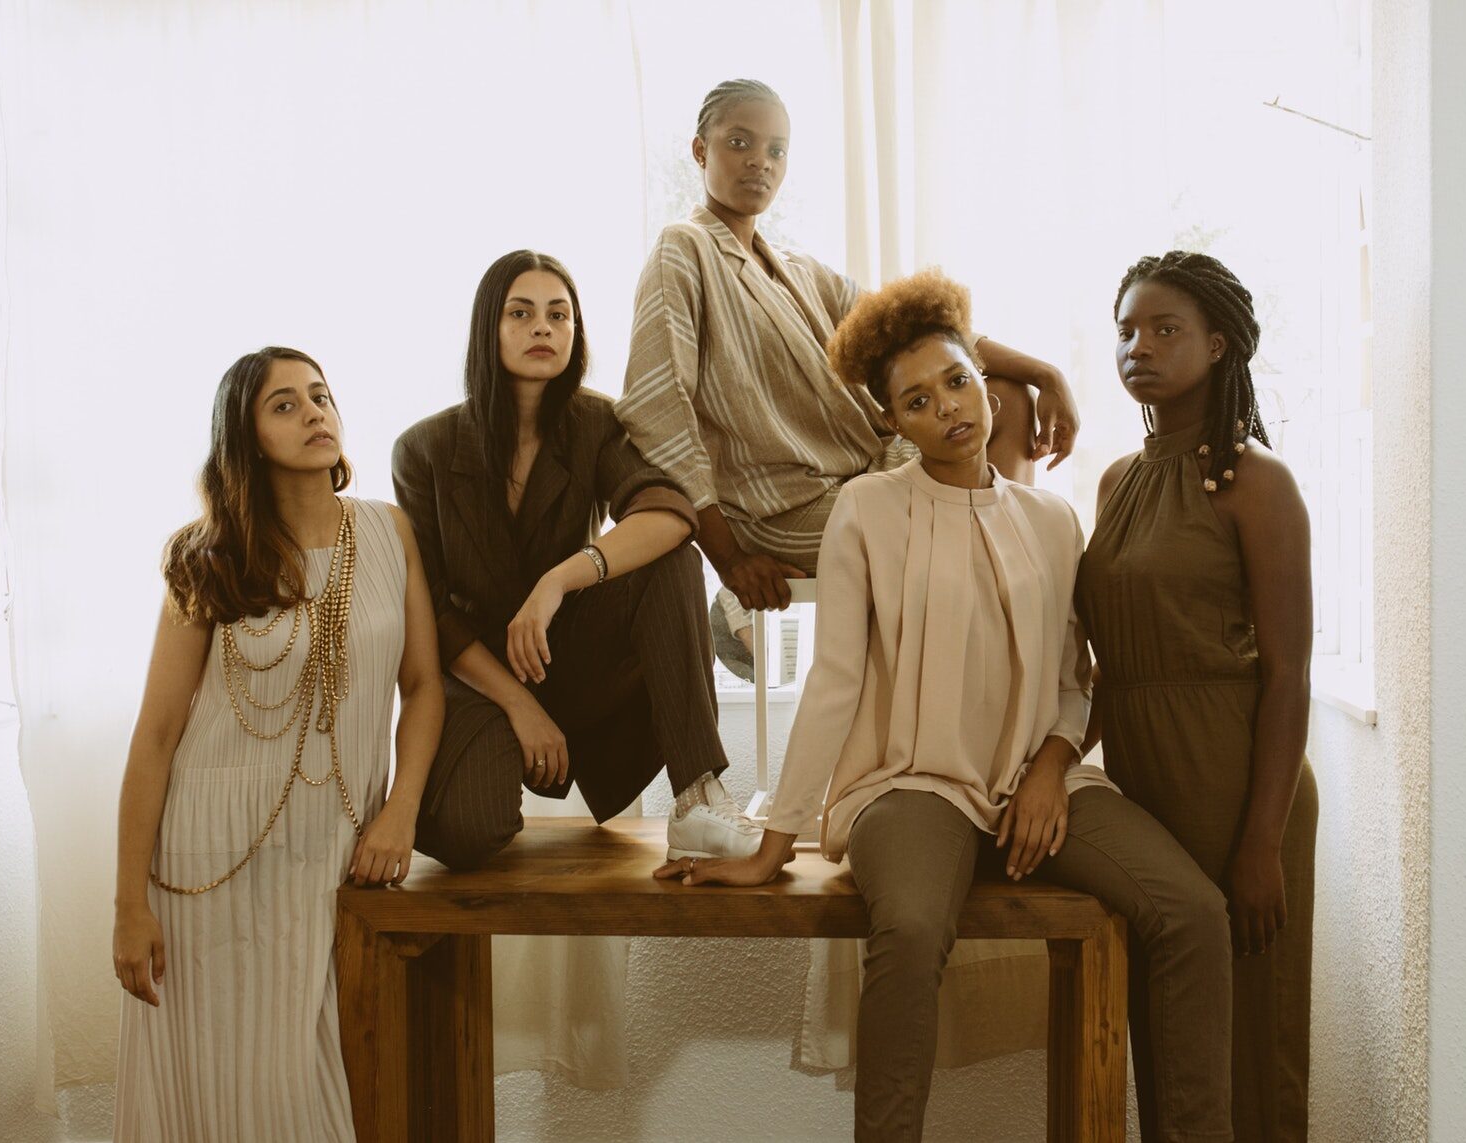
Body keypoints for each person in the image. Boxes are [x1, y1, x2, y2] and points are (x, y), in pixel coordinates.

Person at [660, 271, 1234, 1143]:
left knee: (1192, 911)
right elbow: (836, 681)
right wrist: (775, 843)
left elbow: (1075, 682)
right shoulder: (867, 509)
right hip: (909, 783)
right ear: (892, 422)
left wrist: (1051, 768)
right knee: (914, 925)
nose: (950, 410)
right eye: (918, 401)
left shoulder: (1051, 519)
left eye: (958, 381)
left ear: (982, 378)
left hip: (1039, 783)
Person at [616, 78, 1082, 672]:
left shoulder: (794, 267)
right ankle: (1014, 628)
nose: (760, 161)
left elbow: (920, 330)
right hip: (780, 508)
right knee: (957, 504)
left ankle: (1007, 576)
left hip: (865, 470)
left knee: (1006, 398)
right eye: (739, 142)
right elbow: (659, 408)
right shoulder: (681, 250)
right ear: (700, 151)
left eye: (777, 150)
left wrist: (1048, 374)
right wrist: (729, 559)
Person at [112, 347, 444, 1141]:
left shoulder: (388, 530)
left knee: (301, 1093)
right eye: (285, 404)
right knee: (217, 1090)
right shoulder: (207, 555)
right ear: (247, 435)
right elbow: (156, 736)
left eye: (321, 396)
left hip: (326, 852)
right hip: (206, 859)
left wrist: (401, 812)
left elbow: (426, 685)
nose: (314, 413)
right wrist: (128, 904)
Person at [392, 249, 759, 868]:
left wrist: (556, 582)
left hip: (572, 659)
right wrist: (519, 705)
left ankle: (698, 797)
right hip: (478, 678)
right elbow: (429, 615)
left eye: (559, 315)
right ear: (488, 328)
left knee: (671, 563)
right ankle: (484, 768)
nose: (544, 328)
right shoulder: (423, 450)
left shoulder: (595, 422)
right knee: (467, 835)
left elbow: (669, 514)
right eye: (522, 313)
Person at [1077, 250, 1319, 1142]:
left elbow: (1290, 672)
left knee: (1253, 1038)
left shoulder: (1257, 484)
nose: (1138, 345)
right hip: (1149, 783)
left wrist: (1262, 843)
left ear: (1218, 346)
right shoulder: (1117, 481)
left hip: (1241, 780)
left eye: (1164, 328)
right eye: (1127, 329)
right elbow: (1108, 661)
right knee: (1171, 1030)